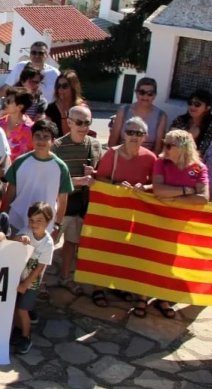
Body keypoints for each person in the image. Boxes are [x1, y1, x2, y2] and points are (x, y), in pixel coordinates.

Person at [93, 116, 157, 314]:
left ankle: (117, 285)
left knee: (127, 250)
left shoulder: (150, 158)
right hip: (110, 210)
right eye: (130, 132)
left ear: (145, 136)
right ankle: (98, 288)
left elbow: (157, 184)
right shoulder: (111, 154)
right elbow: (99, 178)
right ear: (123, 134)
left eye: (139, 133)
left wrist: (144, 187)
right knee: (105, 248)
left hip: (136, 215)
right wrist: (116, 186)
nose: (134, 136)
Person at [151, 129, 209, 319]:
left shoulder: (198, 168)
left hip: (185, 226)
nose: (164, 148)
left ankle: (164, 297)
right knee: (158, 260)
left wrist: (174, 198)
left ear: (183, 148)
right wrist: (186, 190)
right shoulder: (161, 163)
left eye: (169, 145)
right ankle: (145, 294)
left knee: (176, 263)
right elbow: (158, 190)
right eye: (163, 143)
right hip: (161, 221)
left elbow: (202, 198)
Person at [52, 105, 102, 295]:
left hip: (82, 204)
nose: (83, 126)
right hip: (61, 203)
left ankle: (65, 278)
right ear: (70, 122)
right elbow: (52, 180)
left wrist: (94, 175)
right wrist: (78, 181)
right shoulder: (57, 146)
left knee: (71, 244)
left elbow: (100, 175)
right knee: (48, 243)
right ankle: (36, 284)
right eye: (79, 122)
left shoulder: (95, 145)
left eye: (87, 122)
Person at [5, 119, 73, 236]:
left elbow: (63, 198)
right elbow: (10, 191)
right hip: (17, 220)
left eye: (46, 137)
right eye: (37, 136)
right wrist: (4, 215)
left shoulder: (61, 167)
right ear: (32, 138)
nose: (41, 140)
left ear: (53, 141)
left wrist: (57, 223)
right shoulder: (20, 162)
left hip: (45, 225)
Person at [12, 202, 55, 355]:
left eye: (39, 221)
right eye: (32, 220)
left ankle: (26, 337)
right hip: (19, 278)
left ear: (47, 222)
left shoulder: (48, 244)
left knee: (23, 310)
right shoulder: (27, 231)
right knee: (17, 308)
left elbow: (40, 267)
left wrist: (25, 284)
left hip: (31, 283)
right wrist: (20, 238)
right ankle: (18, 330)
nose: (34, 224)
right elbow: (15, 238)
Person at [108, 77, 168, 153]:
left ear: (154, 95)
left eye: (150, 93)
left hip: (147, 159)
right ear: (136, 93)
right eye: (142, 92)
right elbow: (112, 142)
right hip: (122, 156)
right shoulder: (123, 111)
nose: (145, 96)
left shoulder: (161, 116)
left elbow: (158, 148)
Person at [170, 89, 212, 157]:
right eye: (190, 103)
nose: (192, 107)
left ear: (207, 107)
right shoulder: (180, 121)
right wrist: (189, 136)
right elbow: (170, 144)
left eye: (197, 104)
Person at [0, 86, 34, 161]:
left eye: (9, 101)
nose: (5, 103)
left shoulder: (31, 129)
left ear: (20, 107)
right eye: (5, 100)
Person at [45, 69, 88, 137]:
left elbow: (69, 136)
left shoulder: (81, 108)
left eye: (65, 86)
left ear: (73, 87)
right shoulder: (51, 108)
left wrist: (63, 114)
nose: (60, 89)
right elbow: (47, 133)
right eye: (58, 86)